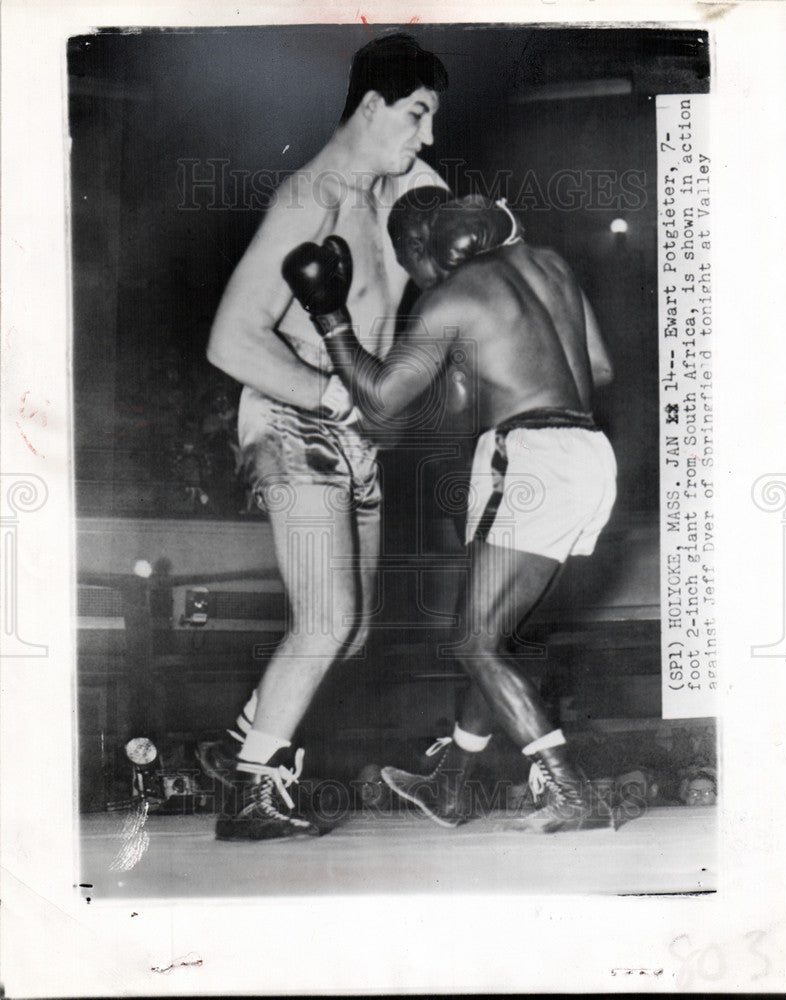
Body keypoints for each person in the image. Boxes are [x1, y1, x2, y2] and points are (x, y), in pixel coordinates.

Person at [282, 189, 616, 832]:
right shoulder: (549, 263)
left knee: (472, 639)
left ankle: (572, 792)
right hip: (589, 454)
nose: (416, 281)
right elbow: (597, 366)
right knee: (491, 638)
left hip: (527, 459)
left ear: (417, 246)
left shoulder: (451, 297)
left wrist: (331, 316)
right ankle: (454, 785)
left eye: (409, 266)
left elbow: (382, 403)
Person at [203, 36, 449, 840]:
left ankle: (249, 738)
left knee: (353, 629)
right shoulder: (312, 196)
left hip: (355, 432)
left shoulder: (392, 191)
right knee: (326, 617)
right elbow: (231, 341)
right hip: (293, 419)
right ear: (371, 105)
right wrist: (331, 397)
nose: (428, 136)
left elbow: (457, 229)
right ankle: (251, 791)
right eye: (417, 114)